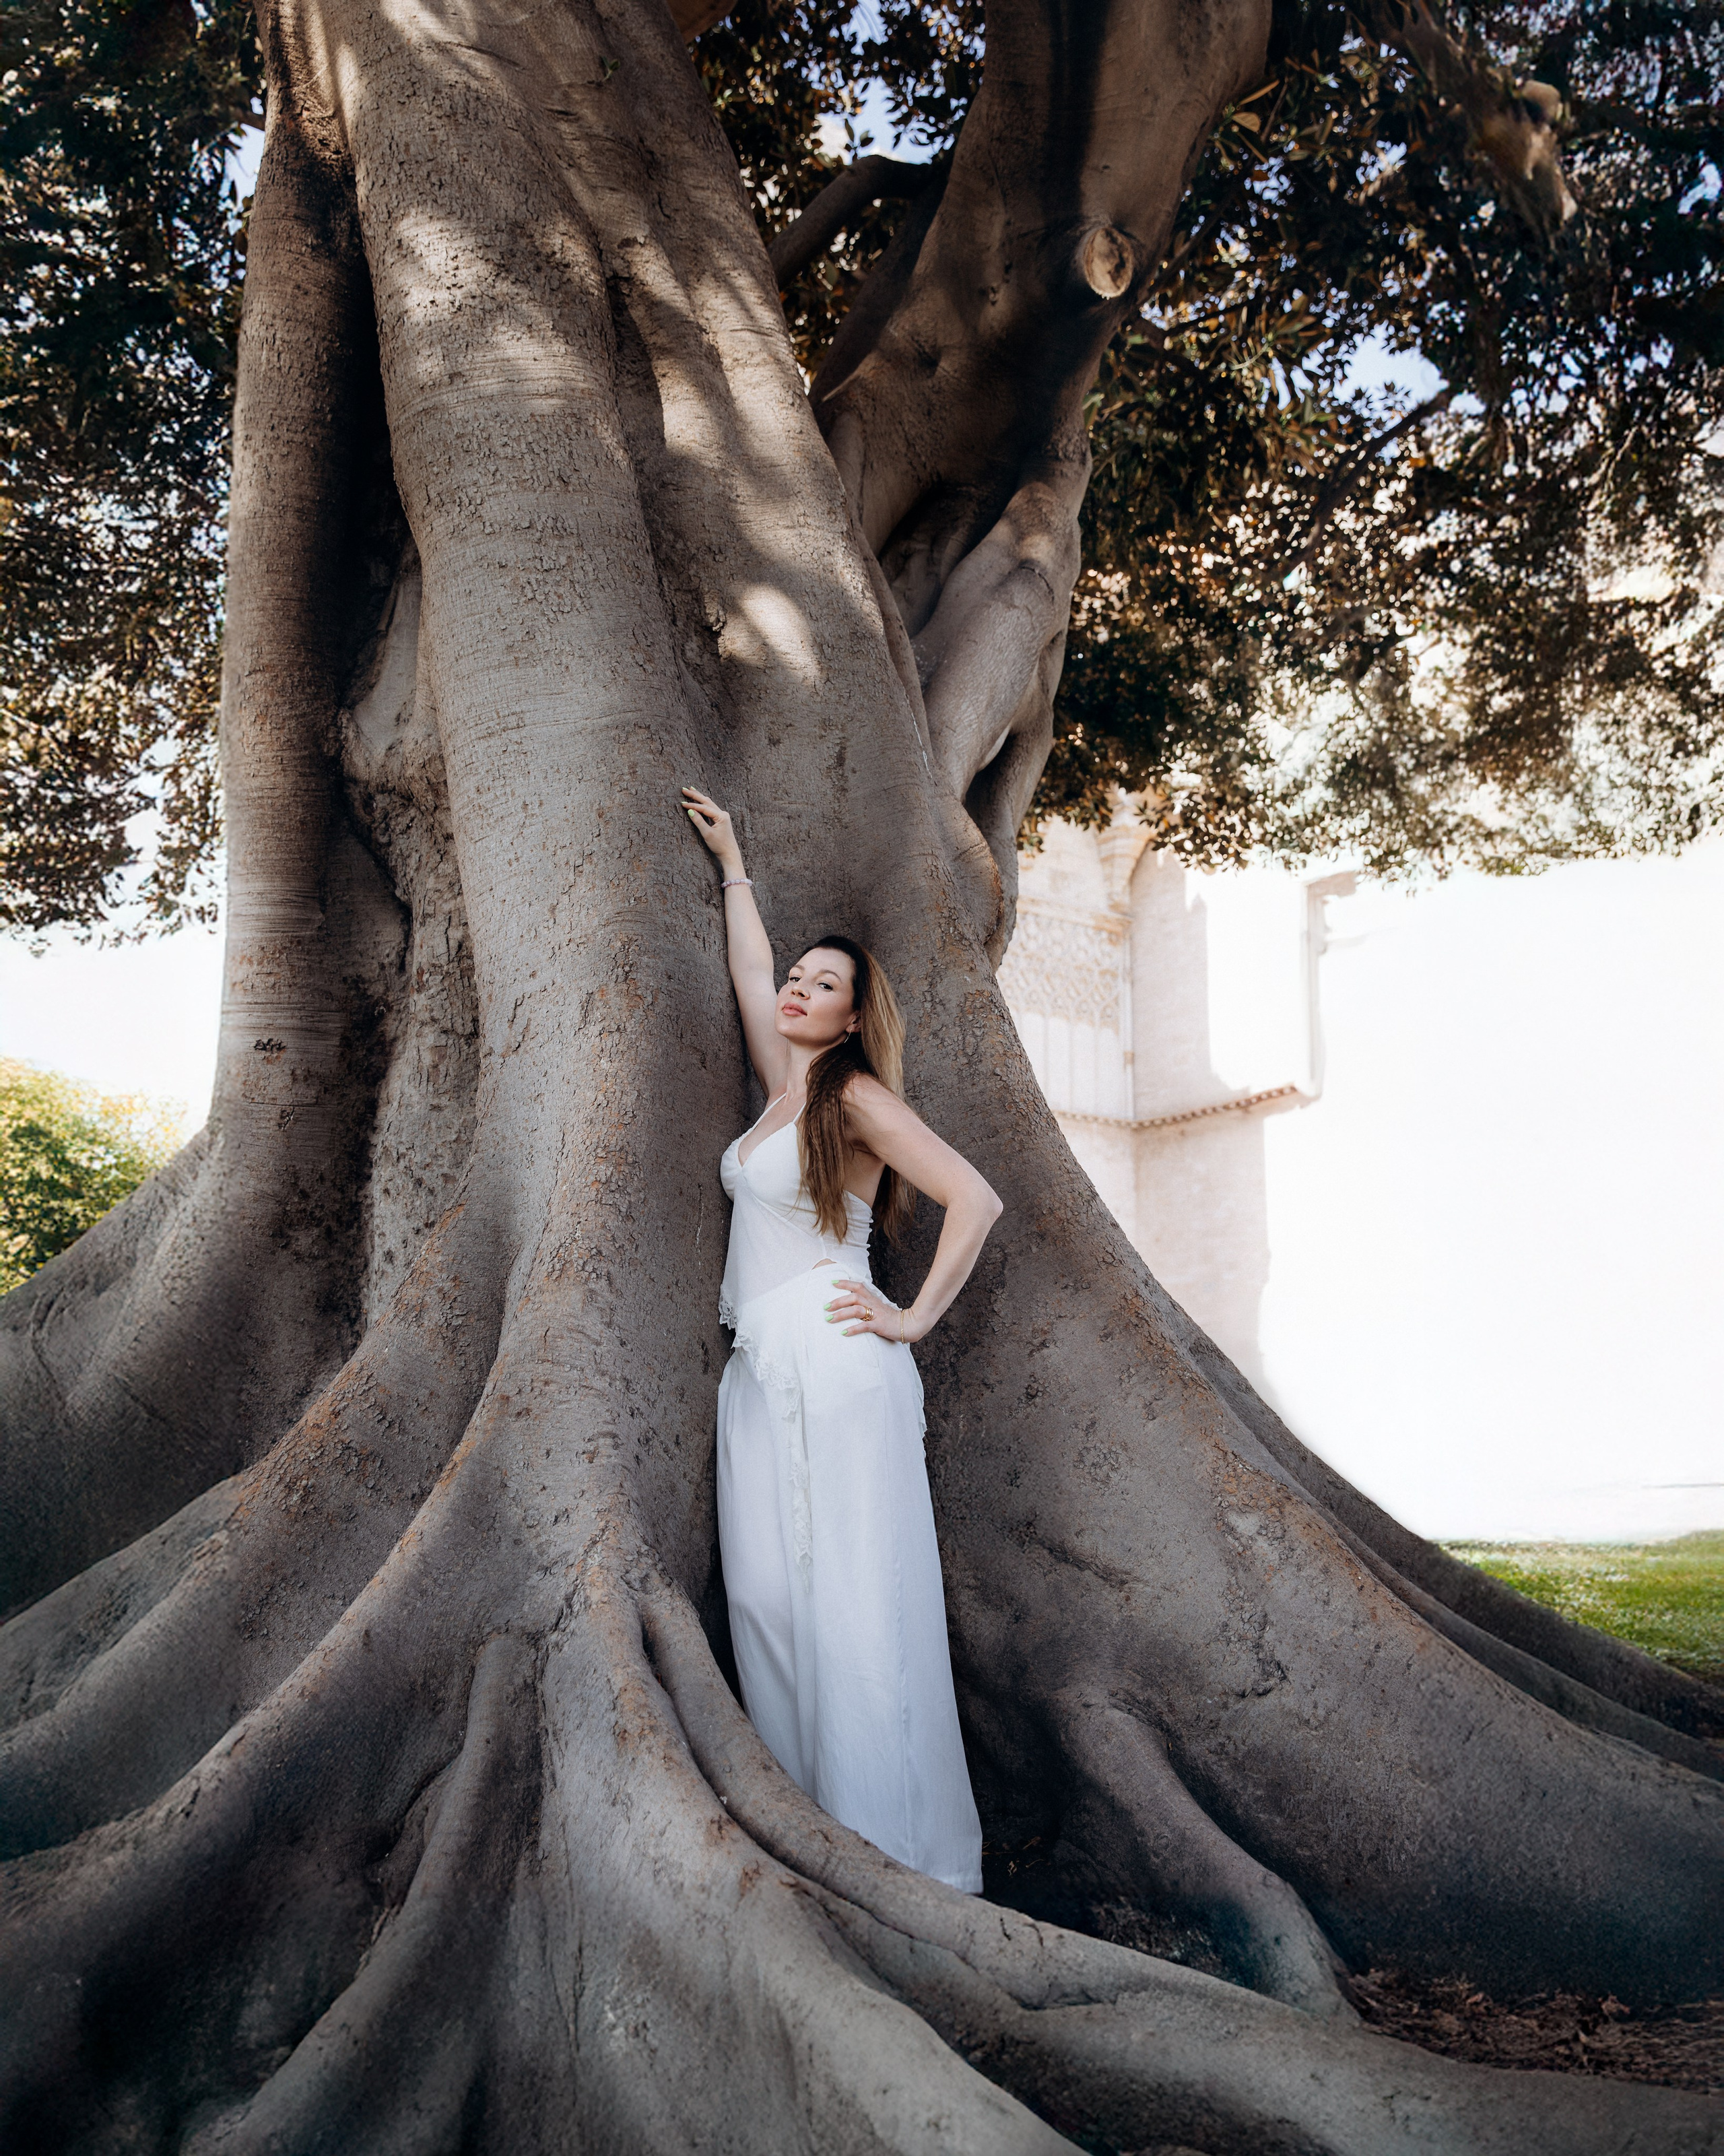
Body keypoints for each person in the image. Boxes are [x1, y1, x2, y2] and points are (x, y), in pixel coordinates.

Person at [682, 785, 999, 1893]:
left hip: (839, 1358)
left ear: (856, 1016)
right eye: (799, 976)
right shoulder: (784, 1090)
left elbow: (975, 1196)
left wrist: (911, 1318)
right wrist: (733, 862)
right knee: (768, 1606)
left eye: (824, 985)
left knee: (857, 1609)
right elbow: (746, 970)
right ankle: (815, 1838)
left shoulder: (854, 1098)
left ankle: (899, 1861)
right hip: (759, 1372)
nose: (796, 988)